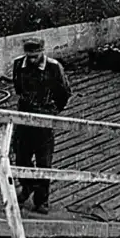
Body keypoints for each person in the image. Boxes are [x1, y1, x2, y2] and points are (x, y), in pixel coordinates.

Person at [12, 37, 71, 215]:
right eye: (28, 56)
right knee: (21, 156)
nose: (31, 60)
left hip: (44, 118)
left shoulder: (54, 68)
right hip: (24, 116)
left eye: (35, 56)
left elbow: (64, 93)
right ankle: (27, 185)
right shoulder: (18, 65)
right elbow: (18, 88)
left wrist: (52, 112)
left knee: (44, 160)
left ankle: (41, 199)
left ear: (42, 52)